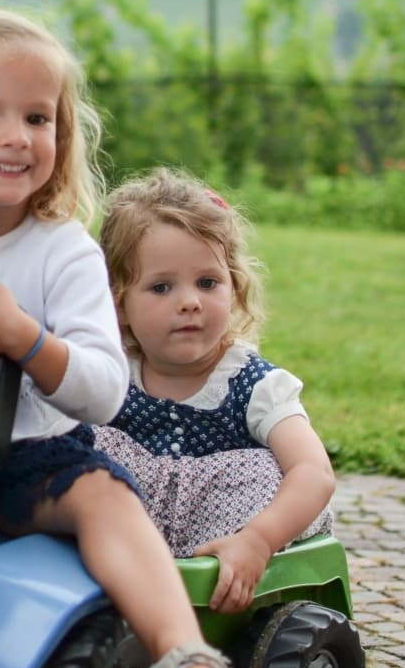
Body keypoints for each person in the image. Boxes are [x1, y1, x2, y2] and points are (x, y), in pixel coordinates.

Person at [0, 7, 276, 668]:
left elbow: (104, 389)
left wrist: (22, 337)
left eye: (38, 117)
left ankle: (190, 667)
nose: (17, 136)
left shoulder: (59, 251)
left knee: (107, 497)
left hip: (25, 462)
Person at [93, 167, 336, 618]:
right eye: (161, 287)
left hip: (228, 546)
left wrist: (259, 539)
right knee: (84, 442)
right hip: (127, 539)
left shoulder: (255, 386)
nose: (190, 302)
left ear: (235, 288)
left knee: (268, 468)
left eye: (207, 283)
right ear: (119, 304)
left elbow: (315, 471)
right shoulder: (111, 376)